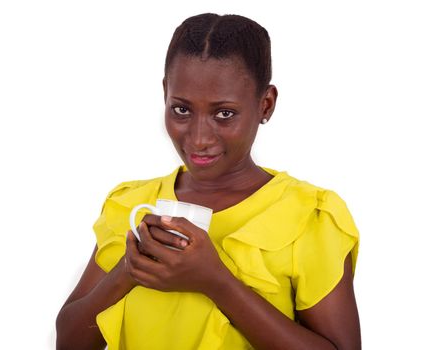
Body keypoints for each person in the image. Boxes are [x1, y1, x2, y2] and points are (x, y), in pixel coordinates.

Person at [56, 13, 361, 350]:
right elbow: (68, 341)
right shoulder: (128, 205)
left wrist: (217, 282)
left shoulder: (308, 218)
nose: (199, 138)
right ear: (164, 95)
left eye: (224, 113)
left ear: (266, 104)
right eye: (182, 110)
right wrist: (128, 271)